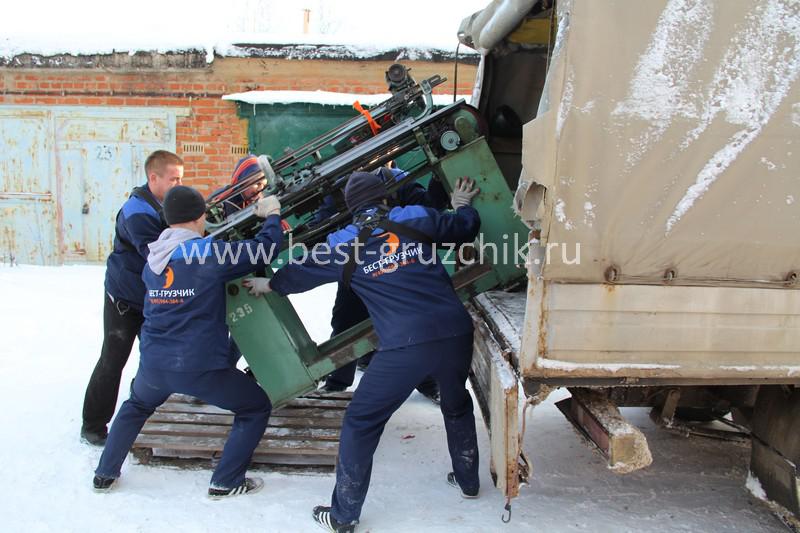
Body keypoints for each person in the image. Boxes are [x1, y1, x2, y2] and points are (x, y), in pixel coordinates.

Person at [244, 172, 482, 532]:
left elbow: (301, 274)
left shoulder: (342, 243)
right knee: (456, 402)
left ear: (351, 207)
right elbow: (463, 227)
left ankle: (343, 516)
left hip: (405, 345)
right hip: (455, 332)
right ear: (385, 199)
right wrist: (462, 206)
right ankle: (468, 482)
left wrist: (269, 283)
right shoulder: (412, 216)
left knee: (360, 422)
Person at [92, 185, 283, 497]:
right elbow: (267, 247)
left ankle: (104, 474)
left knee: (136, 405)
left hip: (154, 365)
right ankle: (226, 480)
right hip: (200, 367)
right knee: (256, 406)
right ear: (201, 217)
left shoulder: (153, 258)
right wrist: (271, 214)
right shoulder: (208, 255)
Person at [314, 164, 449, 402]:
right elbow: (321, 223)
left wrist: (439, 176)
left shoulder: (395, 178)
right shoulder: (342, 185)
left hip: (396, 264)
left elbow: (429, 204)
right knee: (345, 320)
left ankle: (430, 383)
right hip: (359, 266)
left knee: (405, 325)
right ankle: (337, 382)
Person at [81, 150, 184, 446]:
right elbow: (158, 256)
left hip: (150, 296)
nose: (178, 184)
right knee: (113, 360)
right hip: (125, 299)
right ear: (154, 178)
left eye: (181, 179)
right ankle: (93, 424)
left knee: (157, 356)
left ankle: (141, 409)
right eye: (173, 179)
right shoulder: (137, 212)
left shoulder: (163, 205)